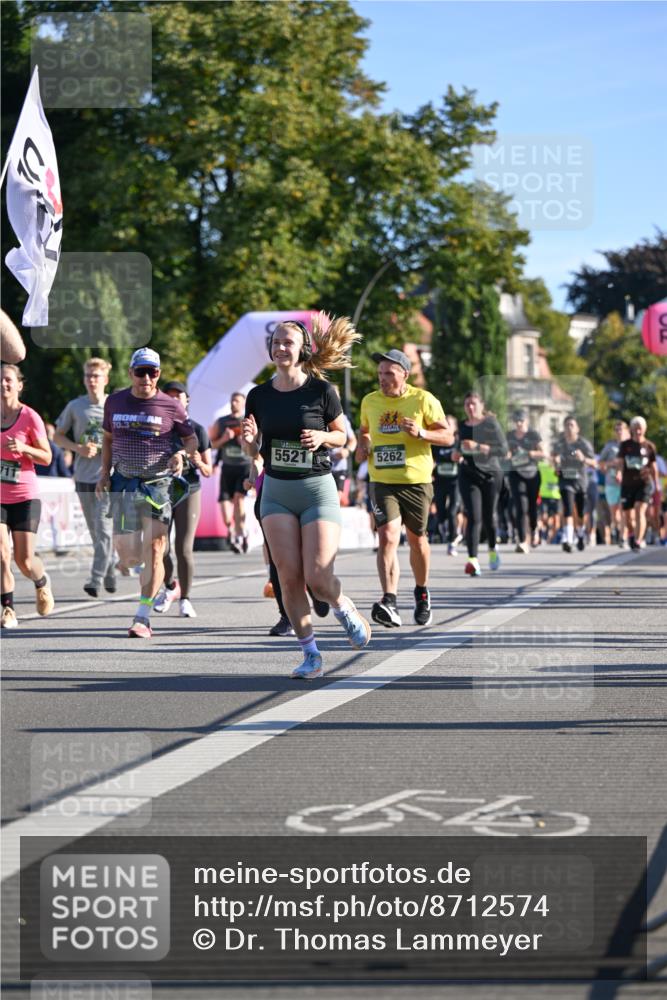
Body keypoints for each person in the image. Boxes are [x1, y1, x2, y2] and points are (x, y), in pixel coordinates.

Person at [242, 315, 370, 680]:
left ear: (302, 350)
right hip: (277, 490)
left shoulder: (321, 392)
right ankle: (310, 653)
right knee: (288, 577)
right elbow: (253, 448)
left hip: (316, 488)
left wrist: (321, 439)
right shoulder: (258, 395)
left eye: (288, 343)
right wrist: (250, 438)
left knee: (317, 576)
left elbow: (342, 437)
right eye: (277, 342)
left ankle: (342, 605)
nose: (281, 347)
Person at [96, 348, 205, 638]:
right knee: (129, 556)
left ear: (158, 374)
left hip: (158, 484)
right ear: (131, 372)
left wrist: (182, 453)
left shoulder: (170, 405)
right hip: (124, 482)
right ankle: (156, 578)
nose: (146, 377)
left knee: (156, 549)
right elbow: (107, 438)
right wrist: (104, 473)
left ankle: (142, 616)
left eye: (152, 372)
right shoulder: (115, 401)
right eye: (140, 371)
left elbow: (191, 439)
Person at [357, 348, 453, 627]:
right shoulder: (369, 401)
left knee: (417, 540)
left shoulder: (423, 399)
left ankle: (422, 592)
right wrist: (364, 443)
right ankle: (389, 600)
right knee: (387, 536)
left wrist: (421, 433)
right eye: (379, 373)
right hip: (382, 480)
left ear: (405, 375)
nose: (382, 378)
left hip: (416, 482)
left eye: (389, 373)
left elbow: (447, 436)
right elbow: (364, 430)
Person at [54, 357, 117, 597]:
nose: (91, 381)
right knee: (95, 532)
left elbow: (123, 437)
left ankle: (95, 578)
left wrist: (107, 449)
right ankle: (110, 567)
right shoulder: (75, 406)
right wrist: (77, 448)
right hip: (82, 476)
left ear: (105, 379)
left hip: (106, 477)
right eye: (88, 376)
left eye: (96, 376)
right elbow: (58, 436)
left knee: (103, 529)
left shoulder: (114, 405)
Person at [1, 363, 55, 627]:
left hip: (24, 496)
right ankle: (8, 609)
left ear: (19, 385)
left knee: (24, 561)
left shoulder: (29, 417)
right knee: (1, 553)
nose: (3, 384)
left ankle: (41, 581)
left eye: (8, 380)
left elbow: (47, 456)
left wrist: (23, 447)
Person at [153, 381, 212, 618]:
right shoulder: (158, 428)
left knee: (183, 548)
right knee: (160, 546)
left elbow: (208, 470)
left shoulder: (197, 429)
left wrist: (196, 461)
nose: (175, 400)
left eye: (179, 396)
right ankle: (170, 587)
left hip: (189, 490)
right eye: (170, 396)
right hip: (162, 489)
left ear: (187, 400)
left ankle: (186, 599)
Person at [454, 391, 508, 577]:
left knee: (488, 516)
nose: (470, 407)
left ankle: (493, 549)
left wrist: (478, 447)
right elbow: (457, 446)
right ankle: (473, 560)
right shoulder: (462, 425)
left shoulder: (490, 423)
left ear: (481, 406)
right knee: (473, 516)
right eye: (467, 404)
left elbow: (503, 450)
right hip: (468, 474)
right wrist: (456, 453)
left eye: (473, 404)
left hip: (490, 475)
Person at [209, 392, 252, 553]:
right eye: (232, 400)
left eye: (238, 401)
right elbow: (211, 445)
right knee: (225, 504)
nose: (234, 403)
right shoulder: (222, 422)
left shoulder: (248, 421)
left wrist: (246, 442)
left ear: (243, 404)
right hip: (227, 467)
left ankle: (242, 533)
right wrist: (224, 439)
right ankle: (232, 531)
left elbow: (258, 445)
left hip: (244, 466)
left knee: (239, 500)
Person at [552, 415, 596, 553]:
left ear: (577, 428)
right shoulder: (559, 444)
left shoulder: (584, 444)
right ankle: (568, 539)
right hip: (565, 480)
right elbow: (553, 460)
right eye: (567, 425)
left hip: (580, 481)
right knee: (568, 507)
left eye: (572, 425)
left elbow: (594, 463)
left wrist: (583, 458)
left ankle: (581, 533)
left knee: (581, 512)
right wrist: (556, 461)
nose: (569, 428)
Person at [617, 415, 658, 550]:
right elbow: (621, 463)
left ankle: (638, 540)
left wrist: (656, 485)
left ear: (645, 429)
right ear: (632, 429)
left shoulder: (649, 446)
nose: (638, 432)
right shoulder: (625, 445)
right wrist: (618, 473)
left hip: (644, 483)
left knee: (640, 509)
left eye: (640, 429)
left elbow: (653, 467)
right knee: (628, 516)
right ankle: (631, 533)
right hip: (628, 484)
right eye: (635, 429)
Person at [506, 409, 545, 552]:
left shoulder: (533, 435)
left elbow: (543, 453)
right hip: (516, 474)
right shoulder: (509, 435)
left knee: (532, 508)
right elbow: (505, 452)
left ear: (526, 421)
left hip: (532, 474)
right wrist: (507, 455)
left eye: (521, 421)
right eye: (516, 421)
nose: (518, 424)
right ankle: (522, 541)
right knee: (520, 507)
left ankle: (534, 528)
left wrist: (529, 453)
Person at [432, 416, 464, 555]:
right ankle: (447, 529)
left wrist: (460, 458)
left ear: (455, 428)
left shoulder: (459, 443)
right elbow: (431, 460)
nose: (445, 426)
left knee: (452, 511)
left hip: (455, 481)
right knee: (440, 513)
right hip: (439, 481)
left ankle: (452, 541)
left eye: (449, 424)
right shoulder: (436, 444)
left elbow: (462, 458)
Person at [599, 421, 629, 547]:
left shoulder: (631, 445)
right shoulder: (610, 446)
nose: (619, 432)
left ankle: (623, 537)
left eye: (621, 429)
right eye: (616, 429)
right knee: (614, 514)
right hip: (611, 483)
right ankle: (617, 529)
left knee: (624, 511)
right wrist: (610, 465)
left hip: (626, 483)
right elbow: (601, 463)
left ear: (626, 430)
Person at [329, 385, 357, 505]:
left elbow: (353, 440)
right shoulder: (315, 417)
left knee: (335, 500)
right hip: (320, 467)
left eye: (335, 397)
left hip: (338, 467)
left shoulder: (343, 419)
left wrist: (347, 451)